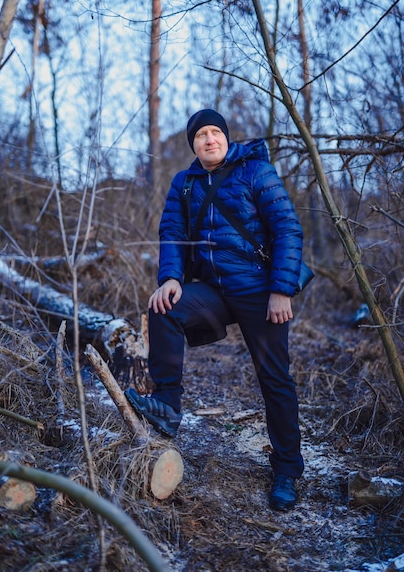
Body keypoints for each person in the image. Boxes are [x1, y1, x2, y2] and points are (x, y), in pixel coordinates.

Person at [126, 109, 304, 512]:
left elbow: (288, 230)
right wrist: (170, 277)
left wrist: (282, 289)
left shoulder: (256, 171)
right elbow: (171, 232)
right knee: (163, 307)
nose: (209, 139)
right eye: (201, 134)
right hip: (213, 290)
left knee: (274, 377)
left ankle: (287, 471)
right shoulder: (184, 183)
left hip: (260, 289)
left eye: (215, 132)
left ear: (226, 137)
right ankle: (169, 406)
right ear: (193, 144)